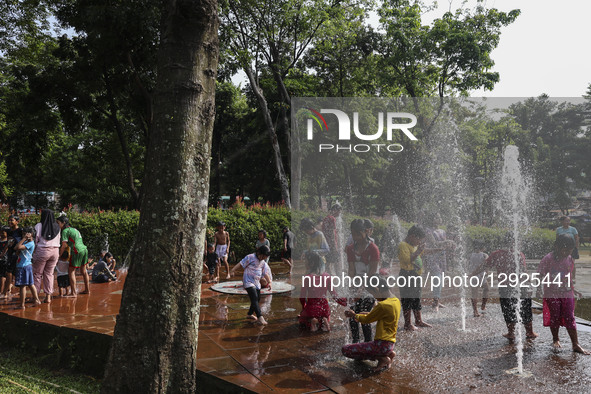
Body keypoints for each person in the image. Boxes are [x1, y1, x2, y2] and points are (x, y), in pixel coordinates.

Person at [471, 232, 538, 340]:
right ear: (513, 242)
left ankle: (511, 333)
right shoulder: (519, 254)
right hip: (521, 286)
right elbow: (524, 272)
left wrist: (472, 274)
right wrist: (529, 284)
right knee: (525, 308)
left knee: (508, 309)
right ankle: (529, 332)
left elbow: (484, 265)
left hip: (505, 286)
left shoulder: (496, 254)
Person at [537, 235, 589, 354]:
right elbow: (540, 275)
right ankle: (556, 339)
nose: (566, 253)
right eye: (564, 250)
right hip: (552, 293)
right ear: (556, 246)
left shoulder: (569, 258)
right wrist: (538, 289)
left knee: (570, 316)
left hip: (567, 292)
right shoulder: (548, 259)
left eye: (569, 250)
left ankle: (575, 344)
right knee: (554, 316)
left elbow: (568, 275)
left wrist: (573, 289)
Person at [342, 276, 400, 372]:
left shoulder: (383, 305)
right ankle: (389, 353)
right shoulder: (395, 301)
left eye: (373, 293)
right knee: (366, 346)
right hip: (390, 344)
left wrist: (354, 315)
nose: (374, 297)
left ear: (377, 289)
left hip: (380, 345)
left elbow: (367, 319)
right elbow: (375, 315)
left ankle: (382, 358)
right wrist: (357, 314)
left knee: (346, 349)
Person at [346, 219, 380, 342]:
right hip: (356, 283)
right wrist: (351, 286)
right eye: (353, 234)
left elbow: (372, 271)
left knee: (364, 315)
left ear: (365, 232)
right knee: (352, 315)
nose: (355, 237)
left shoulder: (373, 248)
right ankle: (355, 342)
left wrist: (362, 287)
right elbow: (351, 269)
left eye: (357, 234)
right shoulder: (350, 248)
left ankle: (368, 343)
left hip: (370, 285)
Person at [299, 251, 346, 332]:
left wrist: (304, 308)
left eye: (306, 261)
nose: (304, 263)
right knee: (327, 316)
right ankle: (324, 320)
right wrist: (346, 302)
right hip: (324, 308)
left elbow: (302, 298)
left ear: (312, 263)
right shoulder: (327, 276)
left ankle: (313, 321)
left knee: (302, 320)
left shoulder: (307, 278)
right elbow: (334, 295)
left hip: (312, 309)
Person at [398, 225, 431, 330]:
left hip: (415, 275)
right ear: (412, 236)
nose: (419, 242)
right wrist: (418, 251)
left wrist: (440, 249)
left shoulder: (414, 245)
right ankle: (407, 323)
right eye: (419, 239)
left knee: (416, 298)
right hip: (406, 275)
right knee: (407, 299)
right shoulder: (403, 245)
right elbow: (407, 260)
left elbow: (416, 258)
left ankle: (418, 320)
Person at [230, 245, 272, 326]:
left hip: (256, 283)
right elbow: (241, 263)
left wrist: (269, 282)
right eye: (262, 256)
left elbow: (265, 273)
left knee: (257, 298)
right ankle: (260, 317)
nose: (263, 258)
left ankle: (249, 314)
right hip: (248, 281)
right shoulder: (250, 257)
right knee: (254, 298)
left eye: (265, 257)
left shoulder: (263, 262)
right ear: (259, 252)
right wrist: (232, 270)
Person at [32, 209, 61, 303]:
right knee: (49, 274)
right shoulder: (57, 226)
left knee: (37, 274)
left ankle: (35, 296)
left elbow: (35, 240)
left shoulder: (39, 225)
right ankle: (48, 297)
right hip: (55, 251)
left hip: (42, 251)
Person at [56, 215, 90, 296]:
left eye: (58, 223)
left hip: (76, 250)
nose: (57, 225)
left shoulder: (64, 231)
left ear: (63, 223)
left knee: (71, 271)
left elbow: (64, 245)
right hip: (84, 249)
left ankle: (73, 293)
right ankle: (87, 290)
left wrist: (59, 255)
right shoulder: (74, 229)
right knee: (84, 271)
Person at [14, 227, 41, 309]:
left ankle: (22, 305)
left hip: (24, 266)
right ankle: (36, 300)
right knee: (30, 284)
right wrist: (24, 239)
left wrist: (24, 239)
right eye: (23, 234)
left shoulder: (30, 243)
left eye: (25, 234)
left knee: (23, 286)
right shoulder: (25, 242)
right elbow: (16, 248)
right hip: (25, 265)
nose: (23, 236)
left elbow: (18, 247)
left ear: (30, 234)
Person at [3, 215, 23, 297]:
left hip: (18, 254)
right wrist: (4, 251)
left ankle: (4, 292)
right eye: (9, 220)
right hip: (10, 254)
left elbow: (25, 241)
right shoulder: (9, 231)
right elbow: (9, 242)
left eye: (12, 220)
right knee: (10, 272)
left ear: (17, 221)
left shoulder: (20, 231)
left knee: (10, 272)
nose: (10, 222)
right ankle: (7, 290)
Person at [468, 240, 489, 317]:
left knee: (474, 293)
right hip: (481, 276)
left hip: (472, 276)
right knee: (486, 289)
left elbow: (467, 264)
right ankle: (483, 306)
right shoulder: (484, 255)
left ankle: (475, 311)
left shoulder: (470, 255)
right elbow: (487, 264)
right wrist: (487, 271)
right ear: (482, 247)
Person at [322, 202, 342, 274]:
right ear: (335, 210)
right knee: (337, 262)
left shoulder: (326, 218)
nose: (339, 214)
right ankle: (338, 277)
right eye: (339, 212)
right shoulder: (332, 218)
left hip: (326, 244)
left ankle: (329, 277)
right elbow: (333, 233)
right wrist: (334, 246)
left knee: (328, 262)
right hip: (331, 245)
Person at [0, 226, 9, 297]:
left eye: (3, 233)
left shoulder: (8, 241)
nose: (2, 234)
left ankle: (2, 291)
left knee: (2, 276)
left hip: (5, 260)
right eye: (1, 232)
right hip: (1, 260)